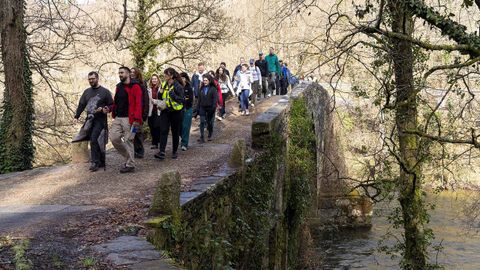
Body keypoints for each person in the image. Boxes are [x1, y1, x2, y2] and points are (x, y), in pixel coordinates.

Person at [74, 71, 113, 172]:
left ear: (97, 78)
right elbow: (82, 104)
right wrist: (76, 116)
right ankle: (100, 161)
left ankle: (95, 162)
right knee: (94, 139)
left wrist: (105, 108)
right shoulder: (87, 92)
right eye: (89, 79)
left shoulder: (105, 92)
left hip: (100, 120)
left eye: (93, 79)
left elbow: (111, 105)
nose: (91, 81)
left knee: (95, 139)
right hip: (90, 120)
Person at [109, 66, 143, 173]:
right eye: (119, 73)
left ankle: (130, 165)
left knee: (128, 140)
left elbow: (138, 103)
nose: (120, 74)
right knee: (114, 138)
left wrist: (137, 119)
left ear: (128, 74)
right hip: (118, 117)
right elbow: (116, 102)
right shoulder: (118, 86)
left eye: (122, 73)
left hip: (130, 118)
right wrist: (110, 110)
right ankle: (129, 158)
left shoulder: (135, 86)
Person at [154, 68, 185, 160]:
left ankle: (175, 151)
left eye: (166, 75)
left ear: (171, 76)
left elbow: (182, 100)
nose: (164, 76)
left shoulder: (178, 86)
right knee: (163, 131)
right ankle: (162, 152)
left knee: (175, 132)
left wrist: (173, 96)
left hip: (176, 112)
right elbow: (160, 97)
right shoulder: (163, 84)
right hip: (165, 111)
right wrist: (160, 93)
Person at [130, 67, 148, 158]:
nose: (132, 73)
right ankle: (134, 151)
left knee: (137, 132)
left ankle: (140, 151)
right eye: (131, 72)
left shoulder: (141, 84)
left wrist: (144, 114)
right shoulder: (128, 84)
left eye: (134, 72)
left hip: (139, 114)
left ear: (137, 74)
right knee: (131, 133)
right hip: (130, 114)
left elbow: (145, 99)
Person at [195, 74, 218, 143]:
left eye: (206, 80)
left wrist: (213, 107)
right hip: (202, 107)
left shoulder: (213, 89)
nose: (204, 82)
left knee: (209, 123)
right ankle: (202, 136)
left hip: (211, 108)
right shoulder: (201, 89)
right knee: (202, 122)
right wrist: (197, 109)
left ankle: (210, 133)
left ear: (209, 81)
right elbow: (199, 100)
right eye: (204, 80)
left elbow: (215, 99)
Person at [180, 72, 194, 151]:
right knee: (179, 127)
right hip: (178, 109)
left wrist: (184, 101)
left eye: (183, 78)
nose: (182, 79)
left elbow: (190, 99)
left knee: (185, 126)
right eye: (181, 78)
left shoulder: (189, 88)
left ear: (186, 79)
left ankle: (184, 144)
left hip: (187, 109)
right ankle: (183, 138)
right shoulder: (177, 87)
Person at [147, 74, 161, 149]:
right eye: (153, 79)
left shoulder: (160, 88)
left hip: (158, 110)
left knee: (156, 126)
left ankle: (156, 142)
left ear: (158, 79)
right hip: (150, 110)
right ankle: (155, 141)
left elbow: (162, 100)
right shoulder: (148, 89)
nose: (154, 80)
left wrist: (155, 101)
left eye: (155, 79)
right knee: (151, 126)